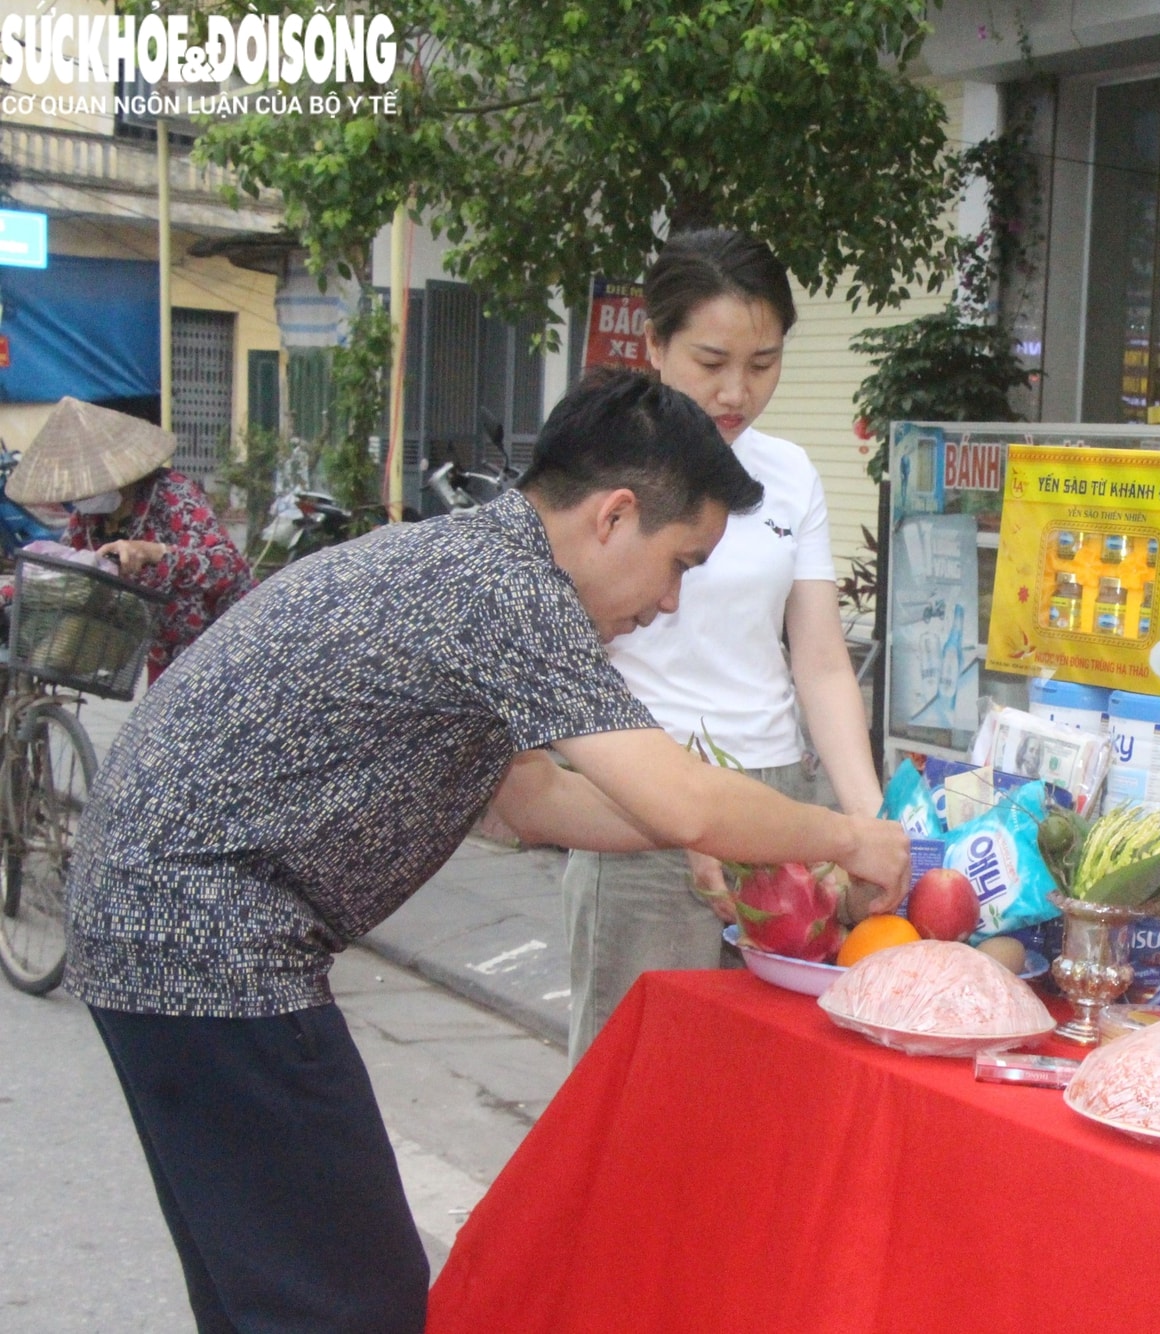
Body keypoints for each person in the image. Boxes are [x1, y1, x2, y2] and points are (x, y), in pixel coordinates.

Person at [64, 369, 910, 1334]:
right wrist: (846, 833)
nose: (672, 601)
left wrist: (700, 839)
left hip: (151, 916)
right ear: (614, 516)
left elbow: (530, 798)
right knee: (351, 1303)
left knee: (269, 1290)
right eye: (681, 561)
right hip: (208, 936)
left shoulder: (469, 561)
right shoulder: (509, 587)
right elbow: (680, 795)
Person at [562, 229, 886, 1062]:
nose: (738, 390)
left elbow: (817, 659)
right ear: (654, 344)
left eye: (765, 361)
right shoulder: (593, 472)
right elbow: (572, 668)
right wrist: (684, 821)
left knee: (764, 1080)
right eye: (711, 361)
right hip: (642, 805)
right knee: (633, 1078)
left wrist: (865, 818)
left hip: (780, 797)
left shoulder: (791, 475)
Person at [10, 397, 256, 681]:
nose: (80, 498)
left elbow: (227, 565)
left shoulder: (172, 496)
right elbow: (64, 575)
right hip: (166, 653)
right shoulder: (87, 521)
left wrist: (155, 553)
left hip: (227, 643)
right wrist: (14, 591)